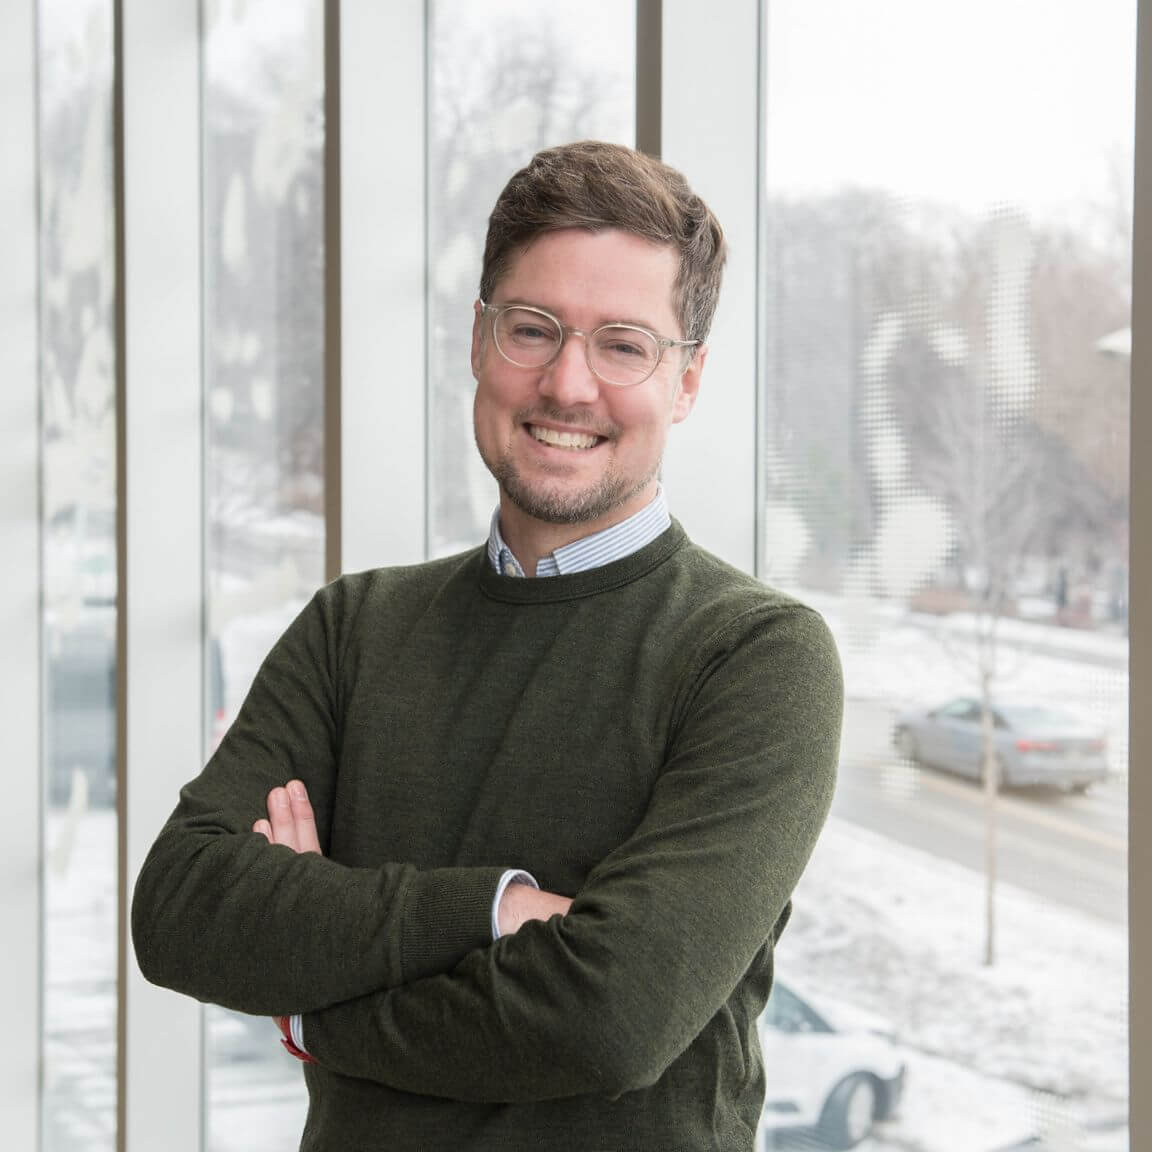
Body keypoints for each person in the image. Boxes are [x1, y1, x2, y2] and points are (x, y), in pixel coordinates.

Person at [132, 140, 842, 1151]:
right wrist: (500, 912)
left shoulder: (759, 657)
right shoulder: (354, 629)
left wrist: (312, 1008)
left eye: (625, 345)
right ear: (479, 341)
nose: (569, 383)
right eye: (533, 329)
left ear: (685, 382)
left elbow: (609, 1019)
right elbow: (183, 911)